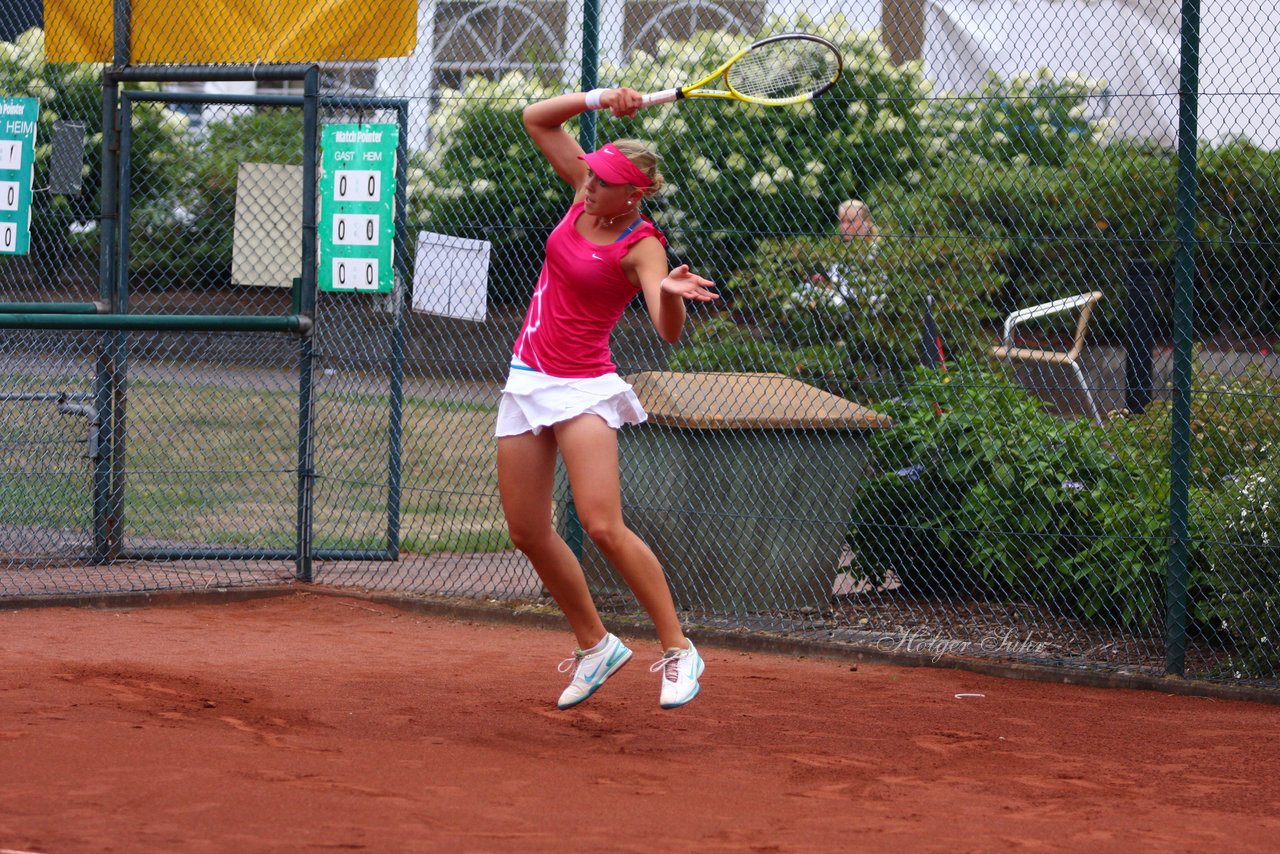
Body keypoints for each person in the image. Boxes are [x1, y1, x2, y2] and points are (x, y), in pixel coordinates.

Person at [495, 86, 719, 710]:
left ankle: (679, 648)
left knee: (600, 523)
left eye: (604, 181)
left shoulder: (642, 245)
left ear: (636, 194)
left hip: (585, 386)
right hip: (528, 376)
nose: (590, 185)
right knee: (527, 530)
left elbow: (666, 329)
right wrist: (600, 100)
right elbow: (535, 118)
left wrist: (670, 290)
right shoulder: (582, 193)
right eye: (589, 173)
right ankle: (597, 647)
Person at [828, 199, 887, 311]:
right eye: (842, 221)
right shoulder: (839, 250)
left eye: (850, 221)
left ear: (866, 222)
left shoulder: (877, 251)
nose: (845, 227)